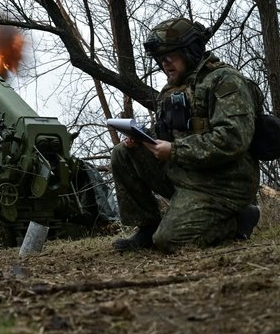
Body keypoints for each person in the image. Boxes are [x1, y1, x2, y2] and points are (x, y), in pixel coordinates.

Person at [111, 17, 261, 253]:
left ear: (189, 51)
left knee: (170, 241)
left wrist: (175, 150)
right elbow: (166, 133)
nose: (164, 63)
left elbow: (233, 139)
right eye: (161, 59)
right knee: (123, 153)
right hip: (186, 172)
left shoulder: (225, 81)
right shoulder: (172, 88)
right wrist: (142, 138)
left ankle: (238, 219)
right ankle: (148, 227)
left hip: (223, 184)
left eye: (170, 56)